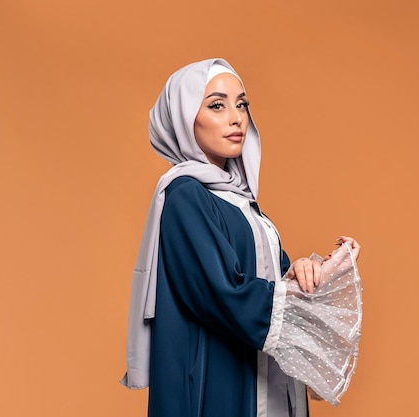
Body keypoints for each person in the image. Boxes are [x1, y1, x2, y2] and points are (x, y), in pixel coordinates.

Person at [121, 58, 362, 417]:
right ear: (185, 118)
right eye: (217, 105)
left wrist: (308, 269)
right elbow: (225, 295)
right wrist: (294, 291)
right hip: (218, 379)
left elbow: (273, 284)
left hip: (263, 376)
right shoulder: (186, 197)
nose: (236, 117)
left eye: (242, 104)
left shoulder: (243, 204)